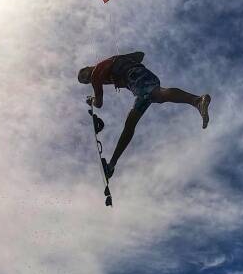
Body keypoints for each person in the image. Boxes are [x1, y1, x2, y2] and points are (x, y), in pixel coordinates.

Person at [78, 51, 210, 179]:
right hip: (143, 83)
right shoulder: (109, 64)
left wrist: (92, 100)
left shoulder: (95, 75)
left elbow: (99, 103)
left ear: (89, 67)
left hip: (137, 78)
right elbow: (140, 55)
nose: (86, 79)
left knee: (157, 95)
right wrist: (121, 60)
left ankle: (197, 101)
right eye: (85, 81)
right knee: (131, 123)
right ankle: (111, 166)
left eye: (84, 76)